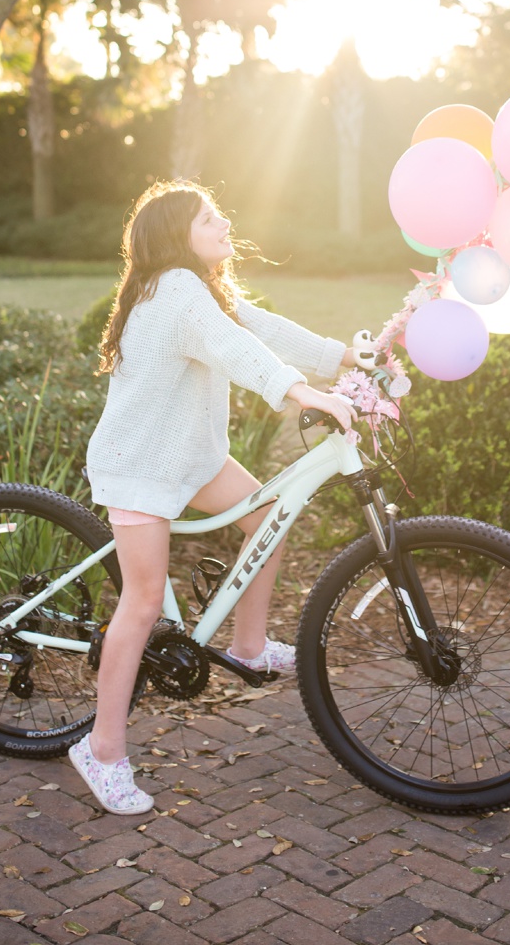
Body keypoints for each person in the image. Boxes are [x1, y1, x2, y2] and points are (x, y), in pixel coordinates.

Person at [68, 180, 357, 815]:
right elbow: (238, 354)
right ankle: (103, 750)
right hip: (142, 462)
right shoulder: (174, 291)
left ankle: (248, 647)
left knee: (269, 515)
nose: (224, 221)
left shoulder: (201, 289)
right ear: (178, 237)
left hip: (190, 456)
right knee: (142, 603)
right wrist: (301, 394)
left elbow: (264, 329)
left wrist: (344, 357)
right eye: (208, 218)